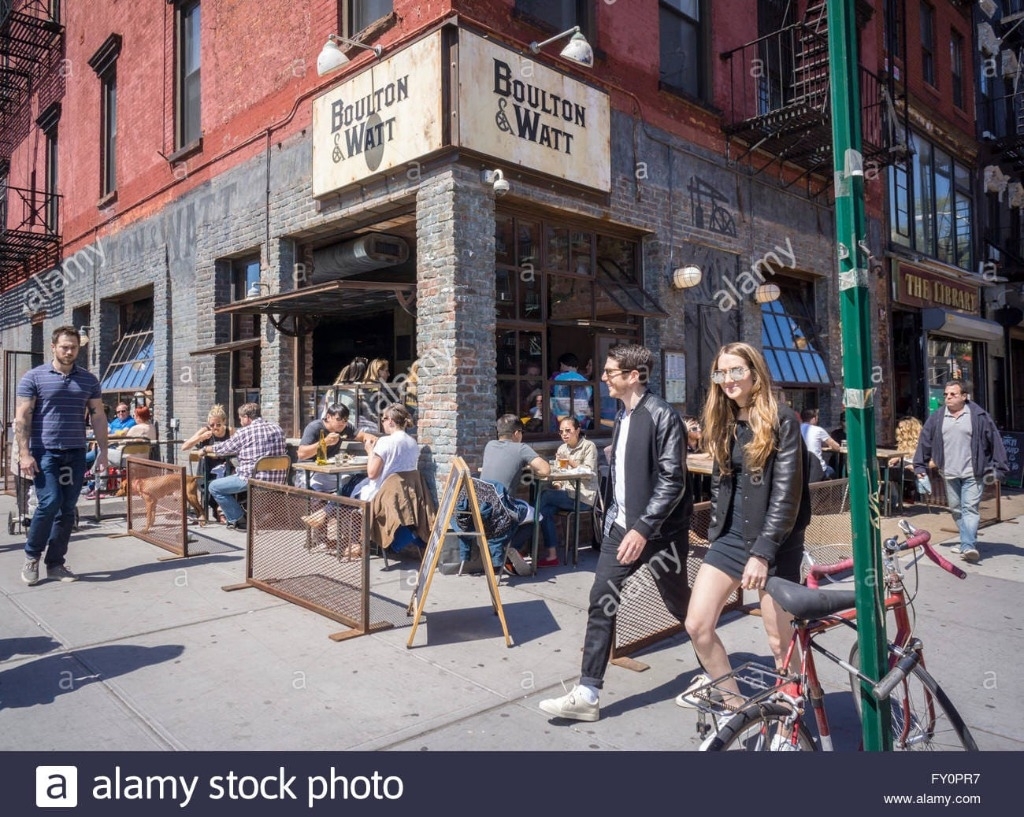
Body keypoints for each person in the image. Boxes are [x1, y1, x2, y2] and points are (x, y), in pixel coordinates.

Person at [539, 344, 691, 722]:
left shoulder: (662, 416)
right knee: (601, 598)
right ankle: (588, 692)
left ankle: (717, 674)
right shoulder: (621, 417)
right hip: (619, 528)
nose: (603, 378)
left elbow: (673, 481)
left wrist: (642, 528)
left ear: (634, 376)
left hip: (658, 534)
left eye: (610, 372)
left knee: (682, 606)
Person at [679, 343, 810, 734]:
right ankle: (736, 710)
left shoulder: (782, 419)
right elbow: (722, 485)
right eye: (721, 374)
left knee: (778, 641)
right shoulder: (723, 421)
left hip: (775, 542)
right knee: (697, 625)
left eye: (736, 371)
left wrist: (764, 553)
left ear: (754, 373)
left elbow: (787, 494)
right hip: (730, 540)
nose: (729, 380)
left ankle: (792, 713)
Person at [16, 326, 108, 586]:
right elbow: (22, 416)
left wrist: (102, 451)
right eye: (64, 346)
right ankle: (32, 557)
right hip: (45, 452)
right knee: (50, 502)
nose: (69, 351)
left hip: (76, 451)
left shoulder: (89, 380)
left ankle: (55, 563)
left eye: (74, 347)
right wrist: (24, 453)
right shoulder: (33, 377)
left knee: (67, 509)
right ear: (53, 347)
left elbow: (98, 416)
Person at [913, 380, 1008, 563]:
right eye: (946, 395)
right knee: (956, 509)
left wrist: (999, 467)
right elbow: (925, 441)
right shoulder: (938, 417)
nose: (948, 397)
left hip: (974, 472)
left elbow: (994, 440)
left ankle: (968, 546)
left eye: (953, 394)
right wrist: (920, 466)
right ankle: (967, 541)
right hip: (948, 472)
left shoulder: (979, 416)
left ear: (964, 396)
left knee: (970, 508)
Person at [461, 414, 550, 572]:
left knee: (521, 511)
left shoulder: (490, 445)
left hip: (480, 506)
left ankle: (508, 550)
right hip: (502, 508)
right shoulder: (521, 448)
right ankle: (510, 548)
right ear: (517, 433)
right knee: (537, 516)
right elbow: (545, 470)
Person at [204, 403, 288, 530]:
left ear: (247, 417)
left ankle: (240, 520)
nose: (240, 421)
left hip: (253, 480)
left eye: (240, 418)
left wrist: (206, 448)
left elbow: (224, 448)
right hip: (279, 480)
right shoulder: (277, 429)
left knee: (214, 487)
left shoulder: (244, 432)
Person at [536, 417, 598, 567]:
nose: (564, 434)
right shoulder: (562, 449)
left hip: (583, 497)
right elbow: (558, 474)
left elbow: (588, 471)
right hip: (566, 495)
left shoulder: (589, 446)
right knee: (544, 510)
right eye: (561, 431)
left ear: (577, 430)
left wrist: (570, 461)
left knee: (543, 497)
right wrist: (557, 485)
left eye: (568, 431)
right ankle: (552, 555)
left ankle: (522, 542)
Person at [294, 403, 375, 493]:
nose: (342, 423)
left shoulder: (345, 427)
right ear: (328, 417)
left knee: (357, 483)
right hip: (307, 472)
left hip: (329, 472)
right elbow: (301, 454)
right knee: (318, 497)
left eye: (345, 420)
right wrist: (325, 442)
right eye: (338, 419)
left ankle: (335, 505)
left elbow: (363, 436)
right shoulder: (314, 427)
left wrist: (377, 441)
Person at [352, 404, 420, 502]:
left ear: (390, 421)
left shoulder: (385, 441)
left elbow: (372, 474)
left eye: (383, 420)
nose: (382, 423)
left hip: (381, 495)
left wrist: (370, 452)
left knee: (346, 488)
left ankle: (330, 516)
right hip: (404, 496)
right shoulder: (413, 443)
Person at [182, 405, 235, 523]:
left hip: (224, 465)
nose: (215, 428)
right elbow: (184, 447)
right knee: (208, 485)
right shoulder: (205, 431)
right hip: (207, 467)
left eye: (218, 425)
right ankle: (216, 512)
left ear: (224, 422)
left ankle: (222, 511)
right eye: (212, 425)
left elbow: (236, 447)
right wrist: (200, 437)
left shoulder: (229, 431)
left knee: (232, 480)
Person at [550, 352, 593, 429]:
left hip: (561, 419)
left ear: (561, 364)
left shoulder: (555, 378)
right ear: (577, 366)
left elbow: (549, 394)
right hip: (581, 419)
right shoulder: (585, 381)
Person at [800, 407, 841, 481]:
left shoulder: (796, 429)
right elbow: (837, 446)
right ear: (813, 419)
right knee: (833, 471)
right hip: (818, 468)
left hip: (801, 468)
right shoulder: (818, 430)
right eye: (817, 417)